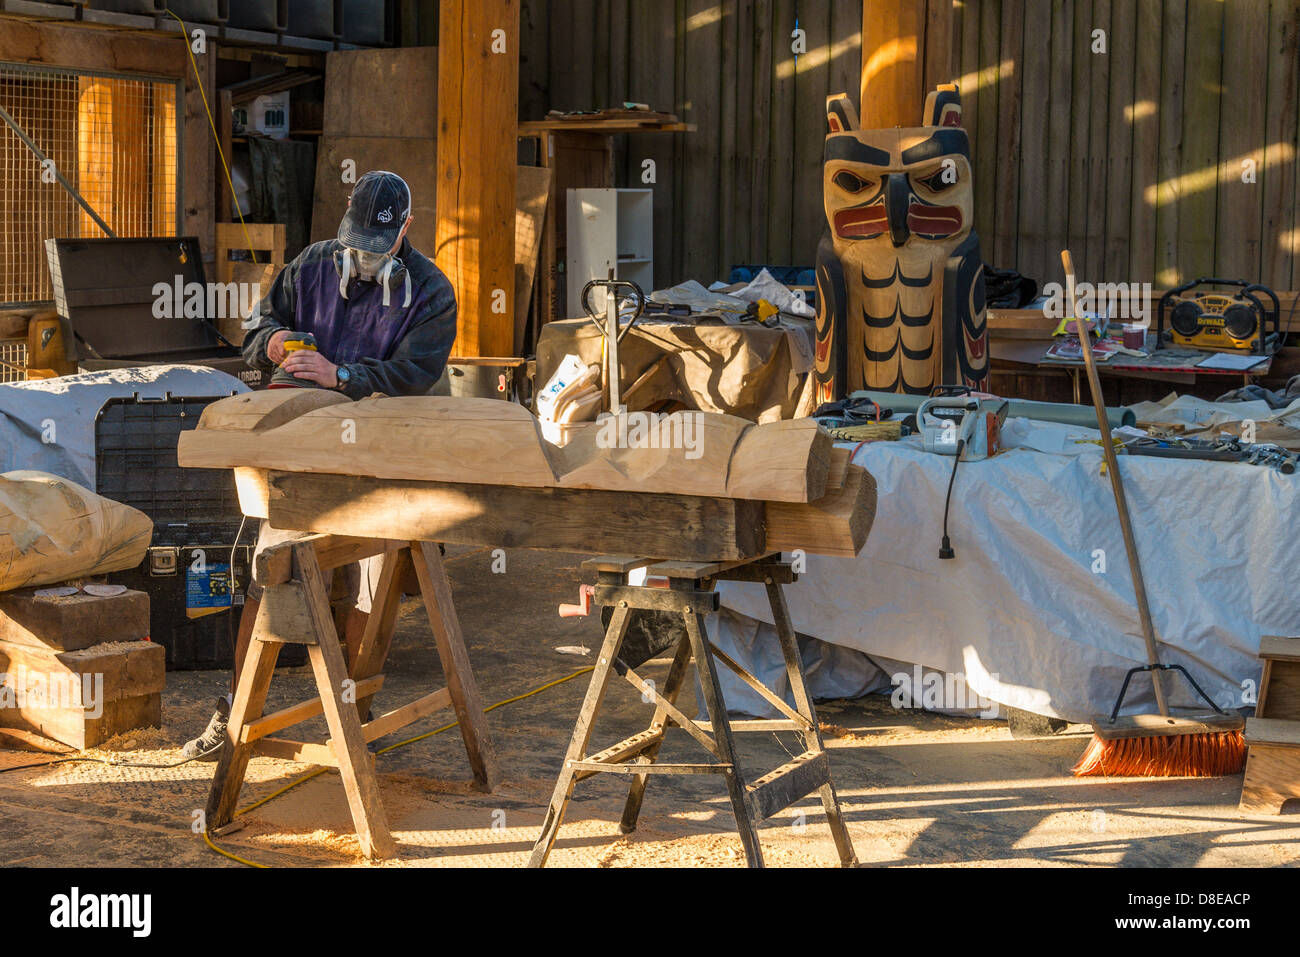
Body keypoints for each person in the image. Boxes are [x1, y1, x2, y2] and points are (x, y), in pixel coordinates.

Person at [182, 170, 457, 758]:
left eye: (375, 249)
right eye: (354, 245)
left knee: (372, 589)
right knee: (270, 569)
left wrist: (343, 377)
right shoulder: (310, 264)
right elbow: (256, 329)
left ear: (406, 229)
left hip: (383, 460)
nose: (360, 259)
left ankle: (354, 717)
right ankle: (236, 715)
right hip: (302, 452)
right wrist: (275, 343)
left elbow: (416, 375)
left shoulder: (431, 291)